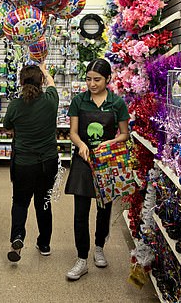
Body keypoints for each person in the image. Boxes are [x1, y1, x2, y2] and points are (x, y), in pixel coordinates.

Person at [64, 58, 129, 280]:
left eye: (97, 80)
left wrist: (109, 144)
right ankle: (81, 258)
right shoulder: (79, 101)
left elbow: (124, 134)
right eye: (89, 79)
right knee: (80, 212)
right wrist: (81, 145)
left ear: (108, 79)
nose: (92, 84)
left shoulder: (117, 103)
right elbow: (73, 131)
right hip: (83, 162)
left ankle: (99, 246)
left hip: (107, 163)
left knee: (104, 209)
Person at [3, 62, 59, 262]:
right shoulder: (51, 100)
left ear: (21, 82)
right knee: (43, 202)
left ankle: (17, 237)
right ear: (41, 81)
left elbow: (8, 127)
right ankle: (44, 244)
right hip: (48, 162)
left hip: (23, 164)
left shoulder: (15, 105)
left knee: (20, 202)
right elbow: (52, 83)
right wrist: (44, 69)